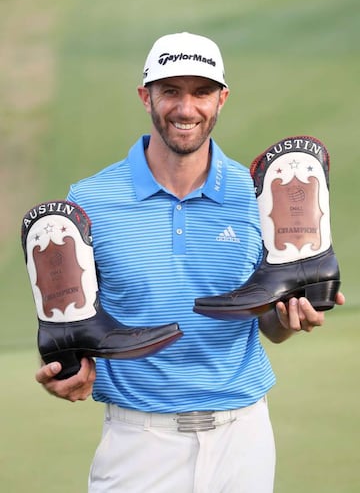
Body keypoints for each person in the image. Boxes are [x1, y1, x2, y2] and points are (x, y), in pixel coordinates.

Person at [35, 32, 345, 493]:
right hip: (138, 441)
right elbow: (75, 325)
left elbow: (267, 327)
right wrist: (68, 372)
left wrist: (289, 319)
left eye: (201, 92)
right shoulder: (90, 201)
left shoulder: (257, 194)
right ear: (146, 97)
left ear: (222, 99)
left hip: (242, 437)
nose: (186, 108)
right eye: (170, 92)